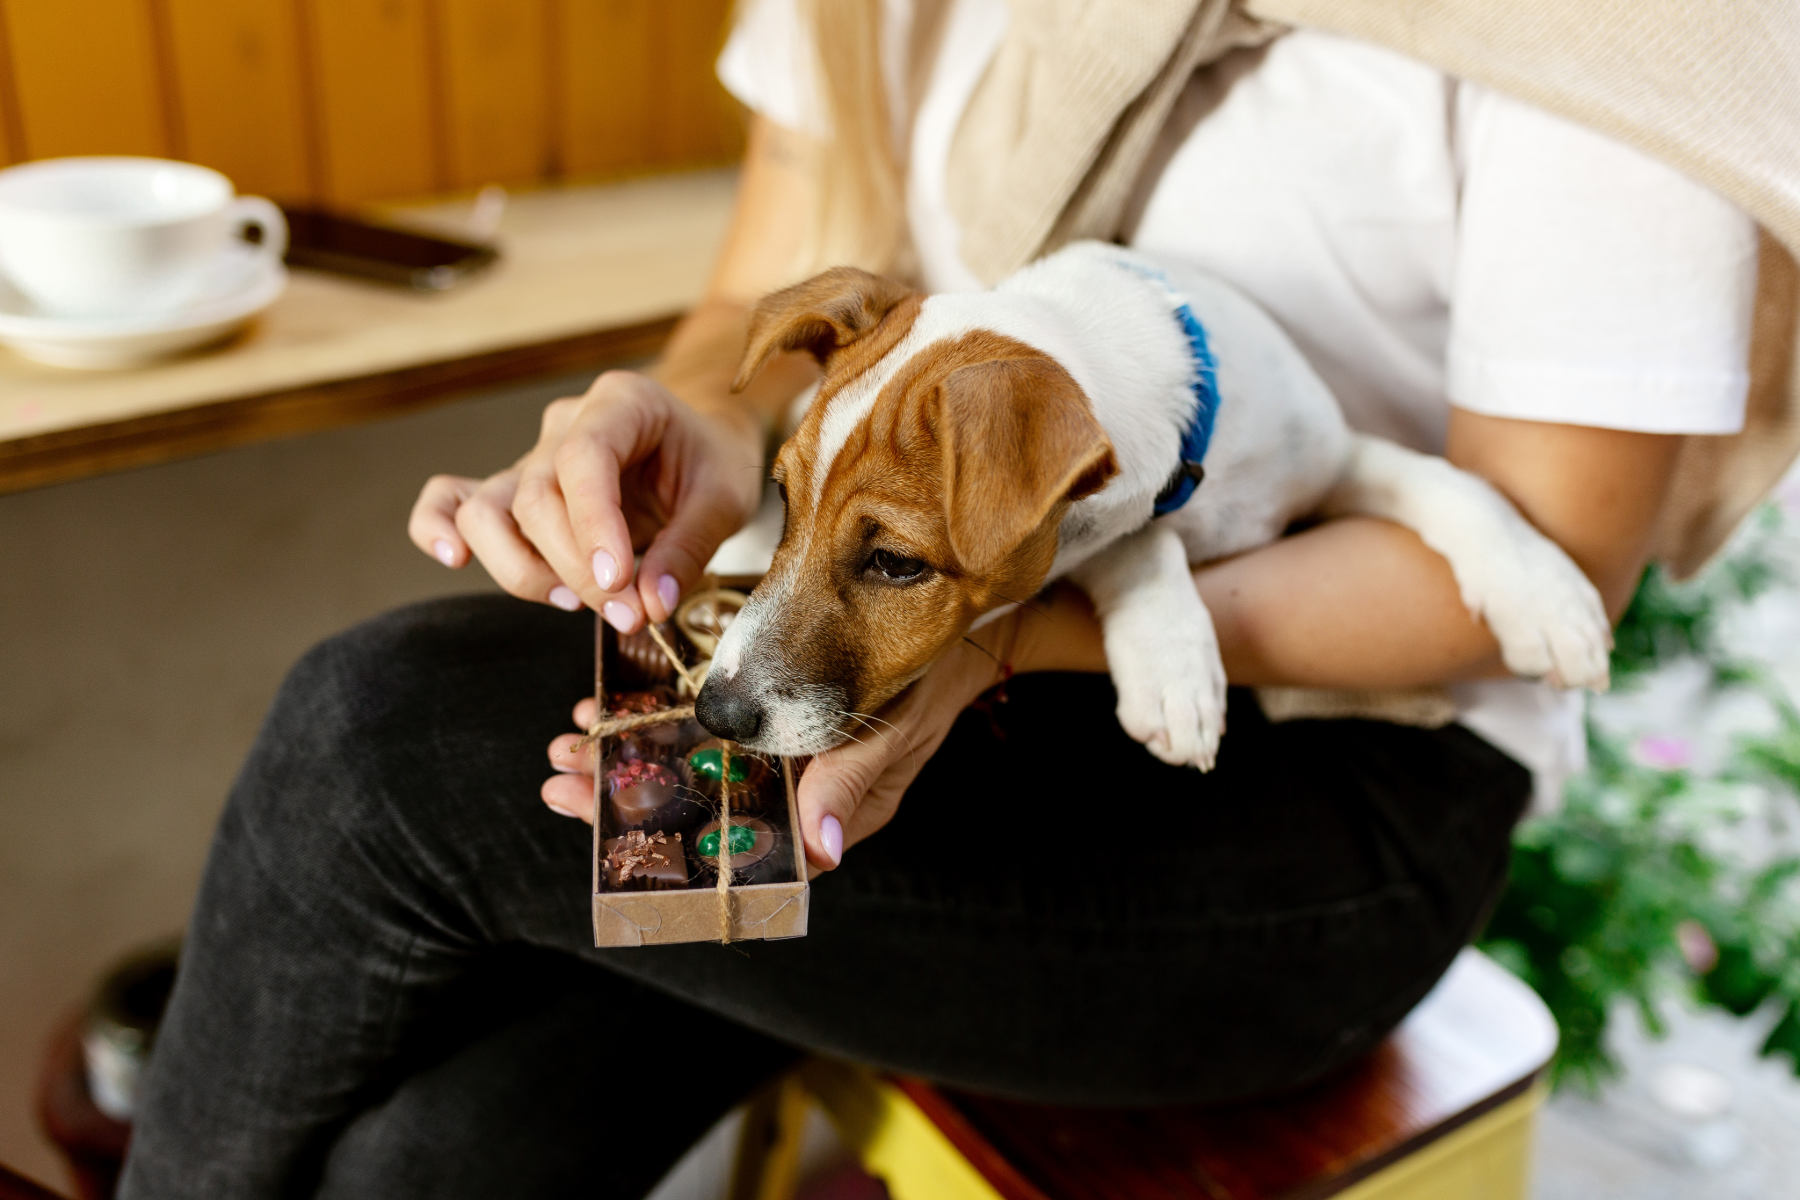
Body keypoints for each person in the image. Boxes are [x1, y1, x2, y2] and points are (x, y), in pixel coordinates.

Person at [120, 1, 1766, 1196]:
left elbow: (1538, 568)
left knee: (383, 742)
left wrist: (989, 641)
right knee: (442, 1153)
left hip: (1327, 776)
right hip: (952, 663)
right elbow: (769, 310)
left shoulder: (1625, 32)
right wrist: (697, 417)